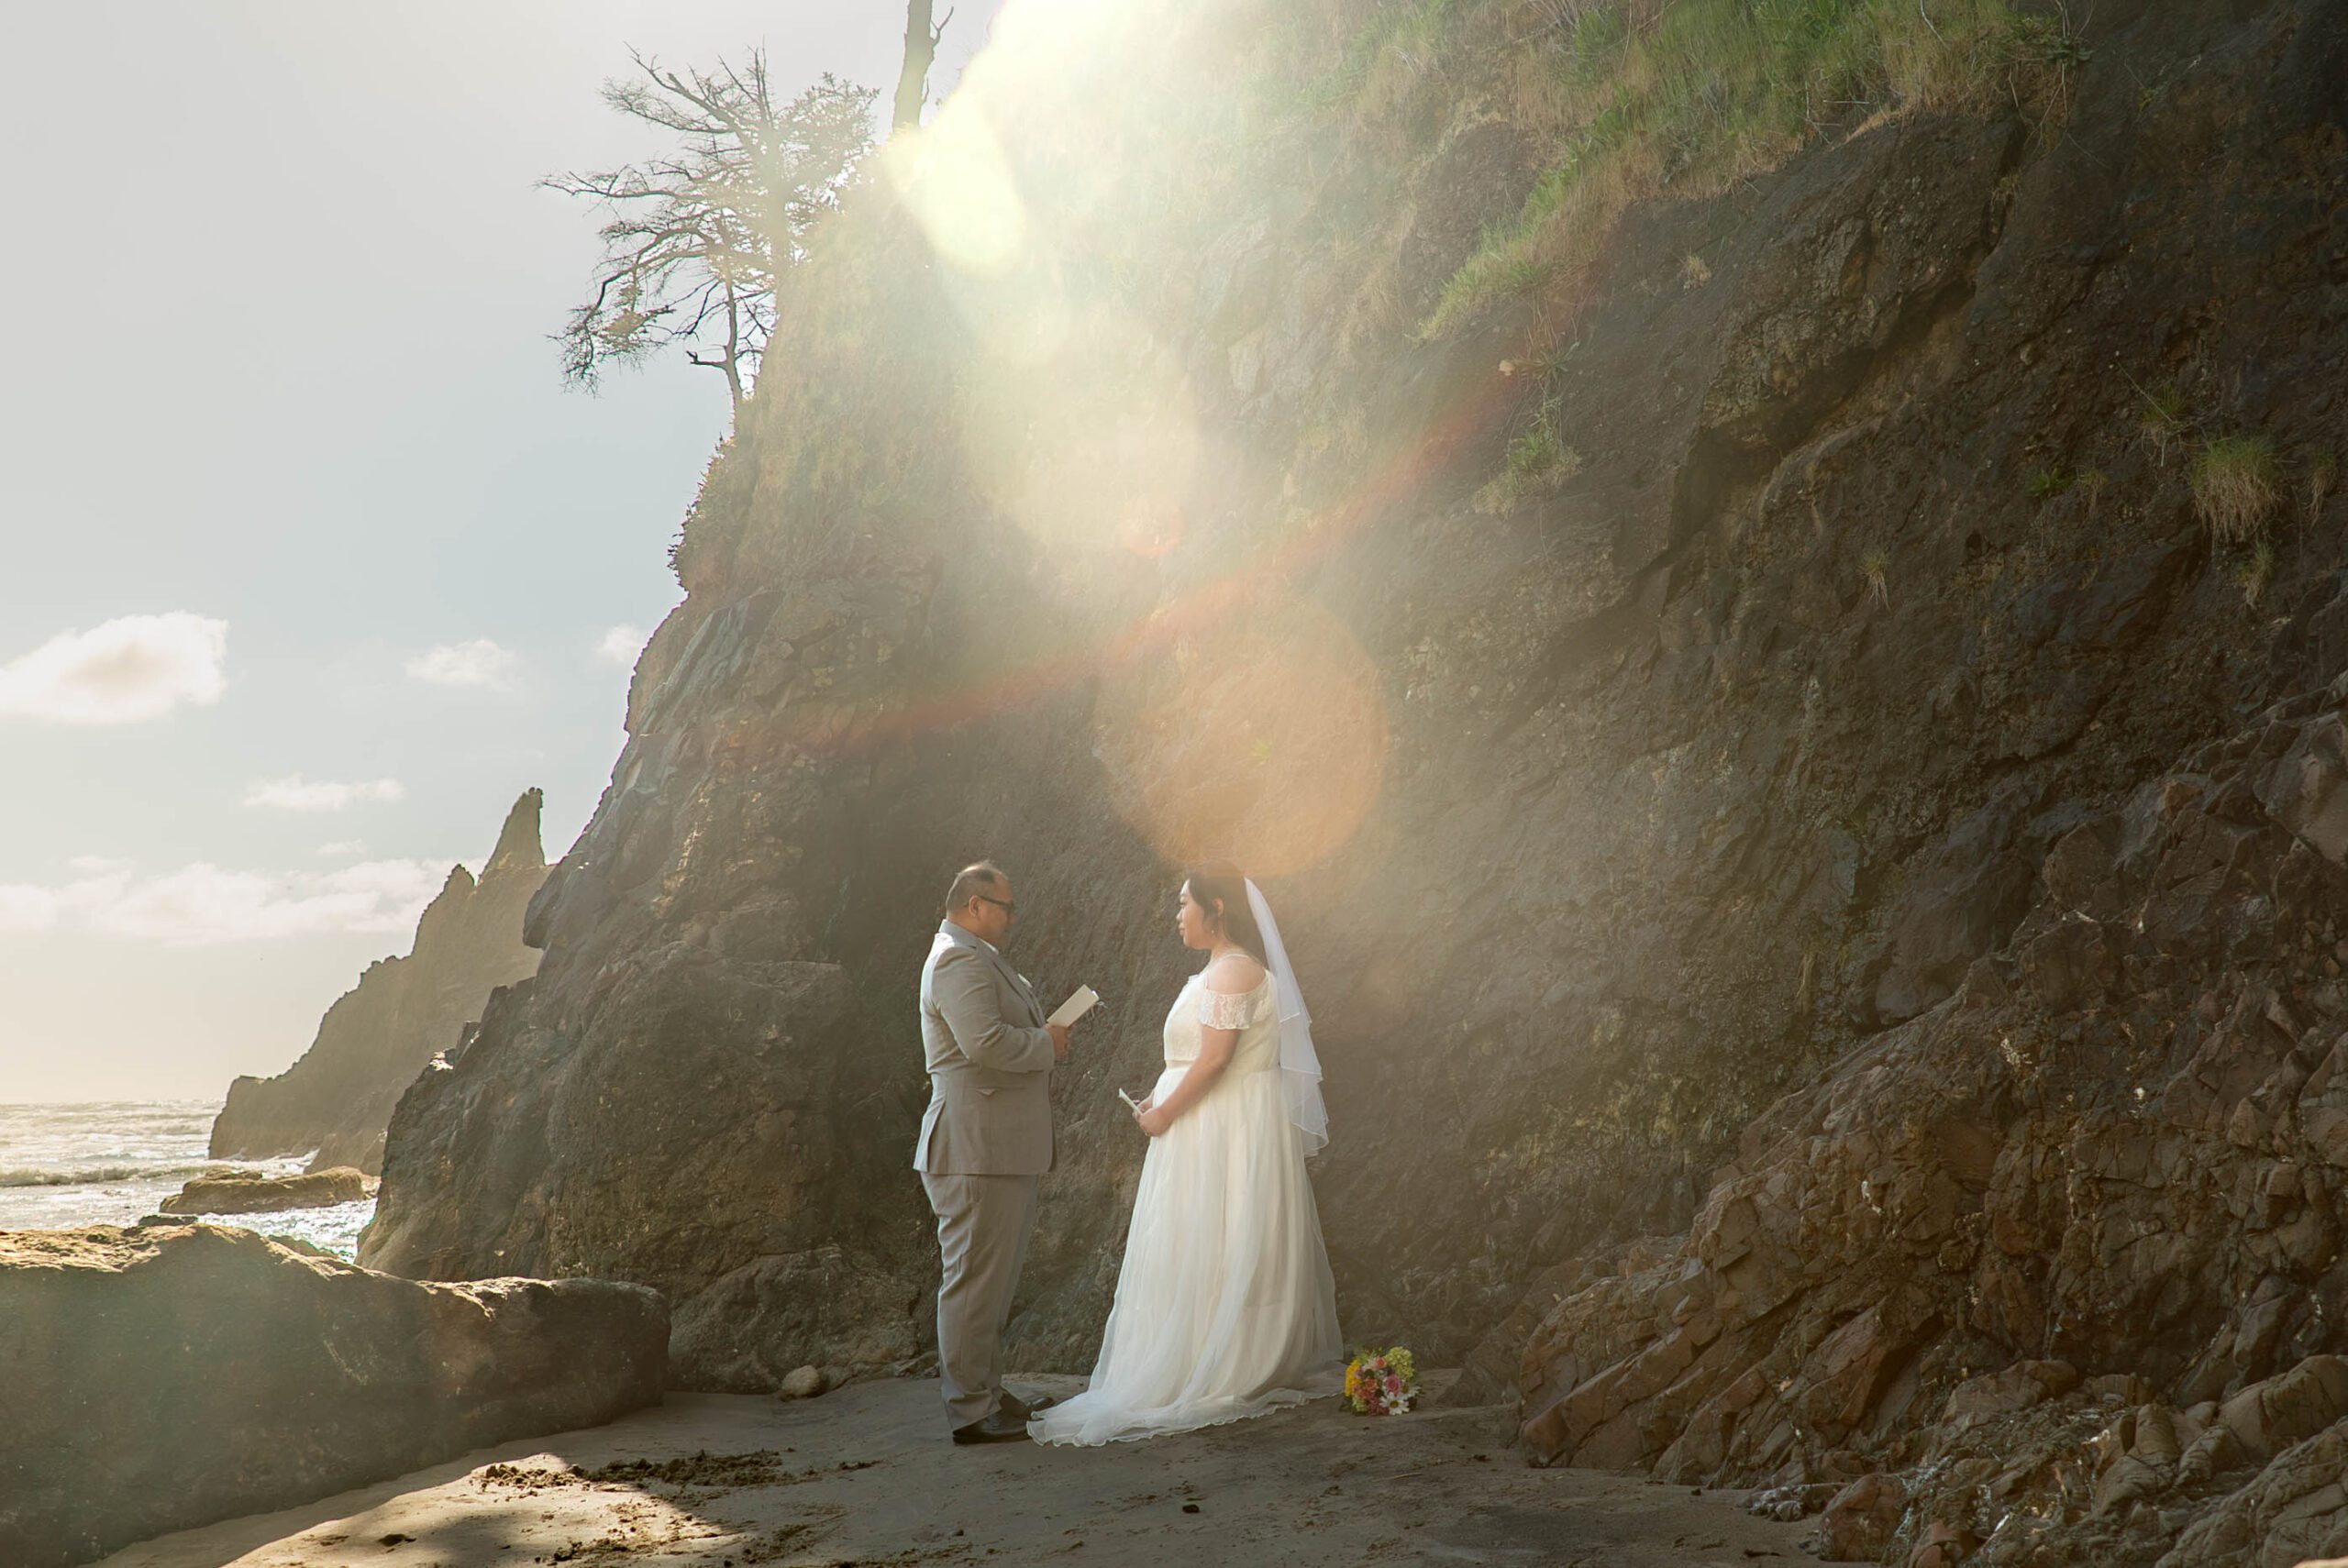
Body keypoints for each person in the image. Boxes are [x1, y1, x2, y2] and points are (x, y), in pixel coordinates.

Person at [1029, 861, 1343, 1446]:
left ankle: (1228, 1360)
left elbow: (1217, 1060)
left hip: (1228, 1128)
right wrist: (1160, 1095)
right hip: (1206, 1124)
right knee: (1200, 1239)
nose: (1176, 915)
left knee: (1223, 1234)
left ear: (1215, 909)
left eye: (1183, 903)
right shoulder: (1216, 971)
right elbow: (1193, 1057)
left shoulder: (1236, 970)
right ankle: (1198, 1347)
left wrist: (1166, 1112)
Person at [914, 860, 1076, 1445]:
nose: (1012, 919)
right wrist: (1046, 1043)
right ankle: (969, 1409)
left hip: (994, 1146)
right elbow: (981, 1043)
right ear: (975, 905)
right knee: (973, 1282)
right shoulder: (957, 958)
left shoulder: (975, 956)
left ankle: (985, 1391)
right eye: (1006, 908)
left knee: (992, 1282)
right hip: (974, 1147)